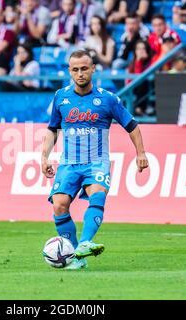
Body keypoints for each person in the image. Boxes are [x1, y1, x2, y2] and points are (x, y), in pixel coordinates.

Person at [41, 50, 149, 270]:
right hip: (69, 162)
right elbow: (53, 129)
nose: (80, 73)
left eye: (84, 68)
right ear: (69, 71)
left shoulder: (108, 99)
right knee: (60, 205)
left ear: (93, 69)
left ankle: (85, 242)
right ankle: (74, 255)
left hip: (96, 161)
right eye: (75, 69)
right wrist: (44, 156)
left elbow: (132, 126)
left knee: (97, 193)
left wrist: (141, 153)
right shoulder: (61, 97)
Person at [126, 40, 154, 115]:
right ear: (135, 51)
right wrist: (138, 61)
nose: (140, 51)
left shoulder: (151, 62)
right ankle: (138, 108)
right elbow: (129, 82)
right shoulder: (131, 63)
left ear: (147, 51)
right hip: (134, 88)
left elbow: (140, 78)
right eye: (138, 48)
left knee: (143, 82)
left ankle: (139, 108)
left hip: (147, 88)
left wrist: (139, 61)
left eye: (143, 48)